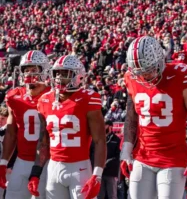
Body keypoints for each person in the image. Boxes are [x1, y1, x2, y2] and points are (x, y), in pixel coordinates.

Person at [120, 36, 187, 199]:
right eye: (140, 71)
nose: (144, 75)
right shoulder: (131, 77)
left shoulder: (181, 75)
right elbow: (131, 116)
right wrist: (126, 149)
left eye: (148, 69)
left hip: (172, 158)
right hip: (142, 155)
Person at [27, 55, 107, 199]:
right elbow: (43, 141)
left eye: (64, 73)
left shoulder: (88, 99)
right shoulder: (44, 100)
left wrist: (97, 175)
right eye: (56, 73)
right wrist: (36, 173)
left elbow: (100, 140)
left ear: (78, 76)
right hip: (54, 167)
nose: (58, 78)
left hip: (80, 168)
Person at [0, 50, 51, 199]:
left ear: (44, 71)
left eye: (34, 70)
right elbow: (11, 132)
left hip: (47, 163)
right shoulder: (14, 96)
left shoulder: (53, 96)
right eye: (26, 70)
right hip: (21, 161)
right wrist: (3, 162)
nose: (29, 74)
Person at [97, 120, 120, 199]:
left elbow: (118, 156)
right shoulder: (98, 138)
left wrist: (106, 163)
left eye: (105, 125)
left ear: (110, 126)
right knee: (100, 195)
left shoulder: (117, 140)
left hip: (111, 172)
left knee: (112, 195)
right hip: (99, 172)